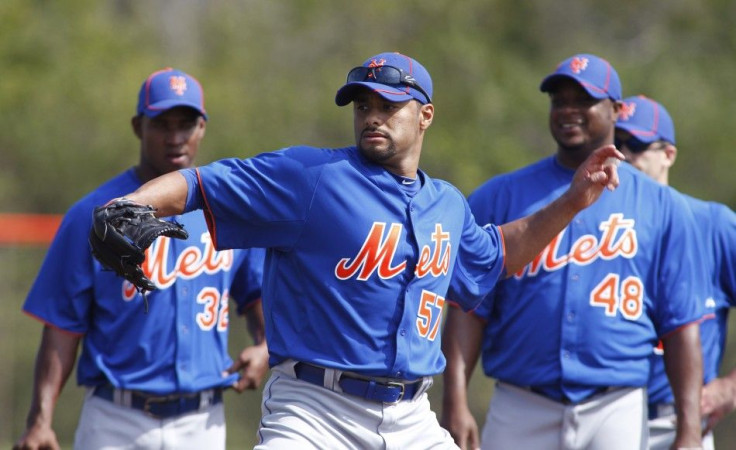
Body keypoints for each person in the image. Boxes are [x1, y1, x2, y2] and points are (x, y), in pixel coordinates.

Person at [89, 51, 624, 449]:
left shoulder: (447, 204)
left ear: (425, 116)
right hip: (313, 409)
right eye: (364, 104)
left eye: (389, 104)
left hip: (413, 415)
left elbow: (498, 256)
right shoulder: (312, 177)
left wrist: (575, 200)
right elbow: (205, 184)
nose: (373, 115)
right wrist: (133, 203)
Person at [441, 54, 708, 450]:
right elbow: (468, 308)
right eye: (559, 99)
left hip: (615, 404)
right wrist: (455, 399)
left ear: (616, 110)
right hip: (520, 401)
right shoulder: (501, 196)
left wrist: (689, 429)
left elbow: (682, 325)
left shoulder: (663, 206)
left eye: (583, 100)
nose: (568, 110)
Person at [13, 68, 269, 450]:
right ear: (138, 127)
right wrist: (40, 419)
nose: (175, 136)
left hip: (202, 421)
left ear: (202, 128)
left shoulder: (227, 210)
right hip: (116, 421)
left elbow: (258, 293)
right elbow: (62, 326)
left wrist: (265, 346)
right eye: (162, 123)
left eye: (186, 124)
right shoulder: (94, 215)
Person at [616, 94, 736, 450]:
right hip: (603, 414)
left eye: (636, 145)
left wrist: (730, 387)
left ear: (668, 154)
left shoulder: (713, 224)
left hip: (676, 422)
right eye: (616, 144)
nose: (624, 156)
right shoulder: (599, 228)